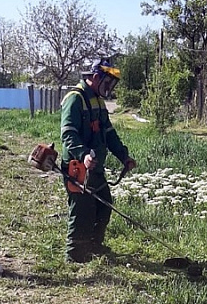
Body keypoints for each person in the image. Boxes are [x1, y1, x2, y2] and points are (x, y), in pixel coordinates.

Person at [60, 58, 137, 263]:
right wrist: (83, 154)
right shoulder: (75, 98)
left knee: (104, 206)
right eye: (108, 82)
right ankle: (74, 255)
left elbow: (108, 133)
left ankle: (94, 247)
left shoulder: (98, 101)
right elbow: (68, 134)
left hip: (96, 168)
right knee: (82, 209)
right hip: (77, 166)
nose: (110, 87)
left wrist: (123, 156)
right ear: (95, 78)